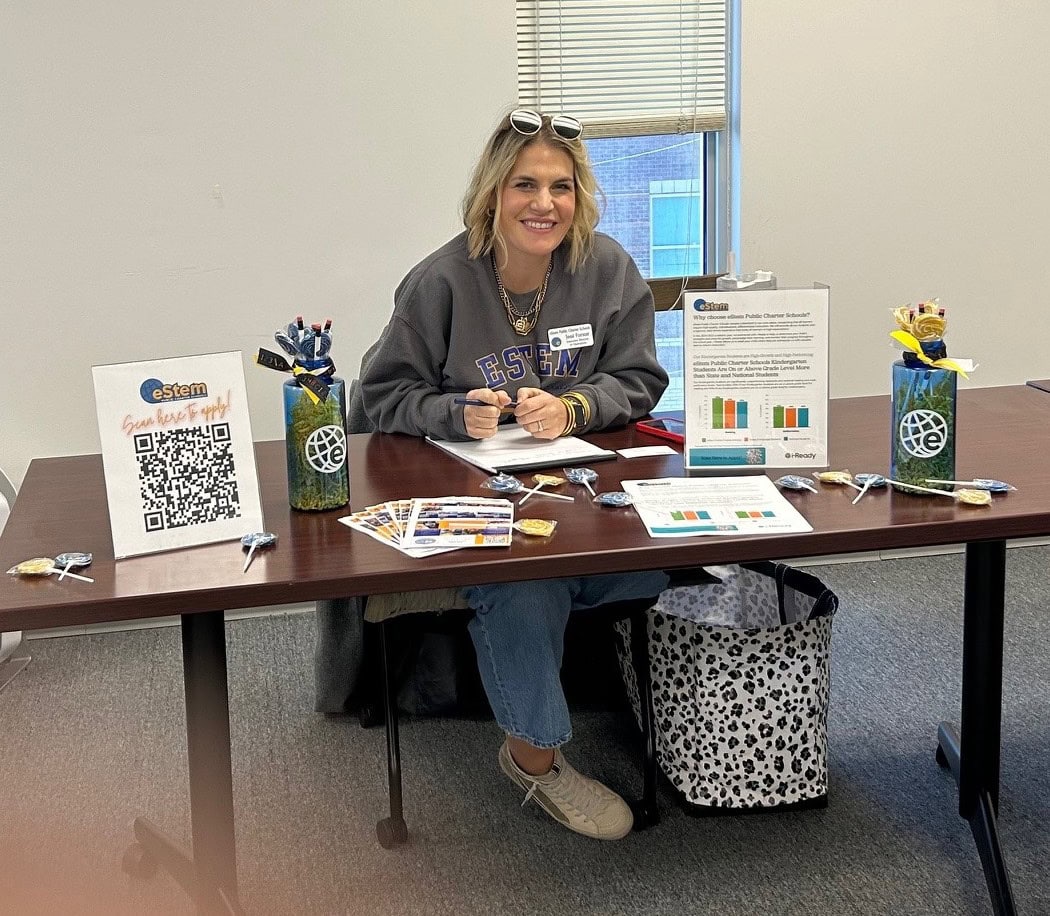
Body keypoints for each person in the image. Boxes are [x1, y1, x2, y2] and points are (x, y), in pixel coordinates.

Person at [360, 108, 669, 840]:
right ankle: (534, 759)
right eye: (525, 184)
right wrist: (449, 412)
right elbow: (375, 398)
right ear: (493, 193)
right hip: (474, 505)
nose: (544, 204)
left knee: (680, 565)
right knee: (527, 582)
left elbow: (641, 378)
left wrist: (578, 406)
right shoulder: (440, 281)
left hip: (584, 493)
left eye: (561, 187)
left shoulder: (608, 269)